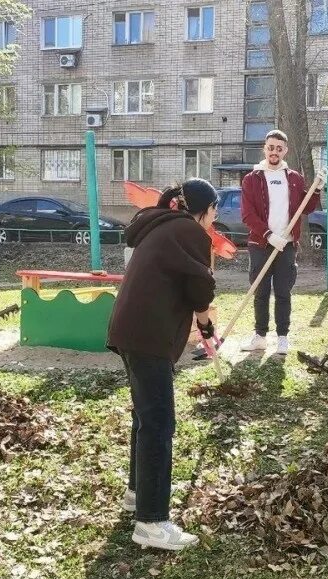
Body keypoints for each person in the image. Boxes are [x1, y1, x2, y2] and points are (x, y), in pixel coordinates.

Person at [107, 178, 218, 551]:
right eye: (214, 209)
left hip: (129, 330)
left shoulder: (159, 224)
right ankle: (152, 522)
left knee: (145, 417)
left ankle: (138, 494)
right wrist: (204, 317)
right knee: (159, 424)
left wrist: (202, 322)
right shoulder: (189, 231)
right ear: (202, 209)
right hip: (148, 334)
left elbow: (183, 283)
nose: (214, 218)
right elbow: (199, 285)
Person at [240, 129, 320, 355]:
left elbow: (307, 208)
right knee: (260, 291)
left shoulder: (294, 178)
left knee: (283, 291)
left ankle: (283, 337)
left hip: (286, 245)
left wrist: (317, 189)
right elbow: (247, 214)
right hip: (260, 244)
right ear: (264, 149)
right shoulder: (251, 179)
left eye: (279, 148)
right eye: (270, 147)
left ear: (285, 150)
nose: (274, 151)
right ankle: (260, 336)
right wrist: (268, 235)